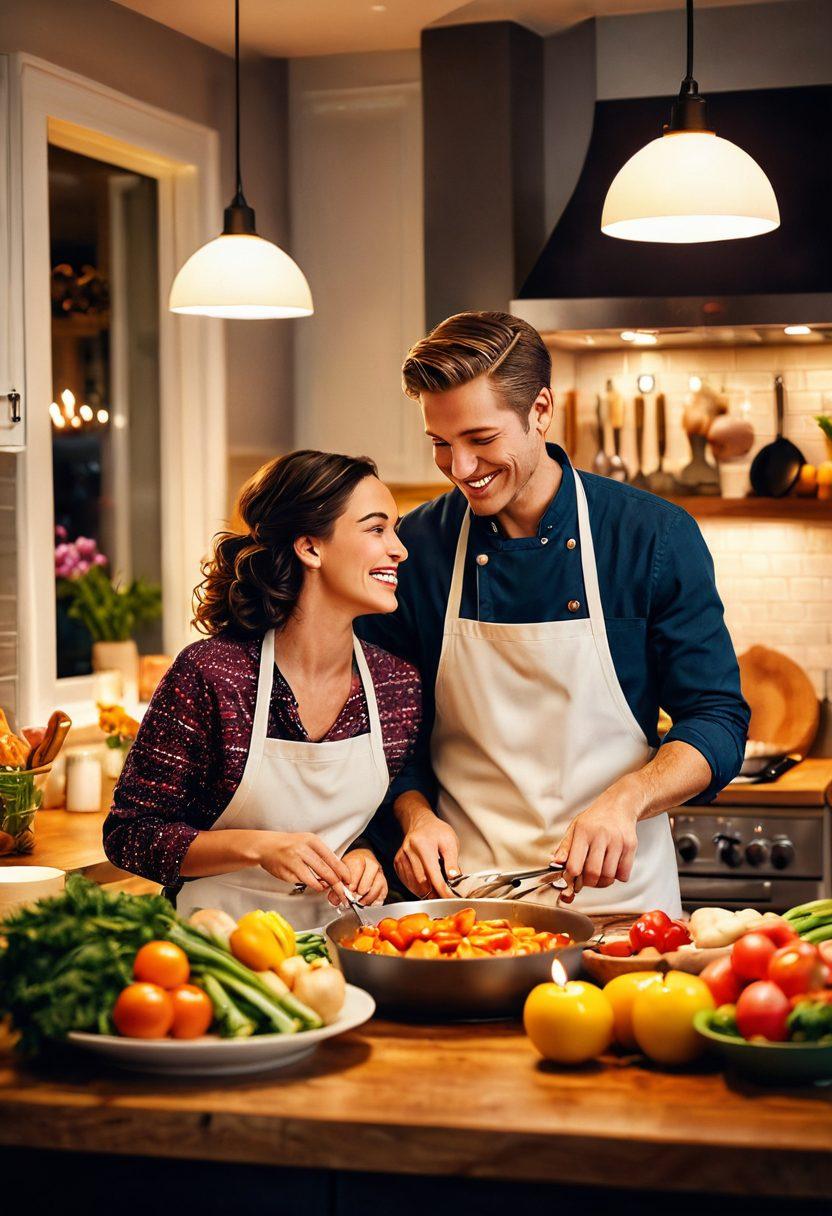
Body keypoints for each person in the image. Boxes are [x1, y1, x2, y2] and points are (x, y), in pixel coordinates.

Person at [357, 311, 749, 915]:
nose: (461, 468)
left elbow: (716, 718)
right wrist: (414, 815)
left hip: (622, 906)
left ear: (540, 410)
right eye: (441, 443)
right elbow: (387, 731)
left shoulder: (651, 537)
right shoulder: (417, 548)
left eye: (481, 439)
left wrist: (629, 797)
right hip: (465, 902)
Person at [104, 450, 420, 928]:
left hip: (344, 947)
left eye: (394, 530)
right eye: (377, 529)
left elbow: (378, 815)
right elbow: (130, 835)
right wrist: (259, 847)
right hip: (218, 945)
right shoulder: (212, 675)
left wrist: (366, 852)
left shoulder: (396, 686)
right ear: (310, 548)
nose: (399, 550)